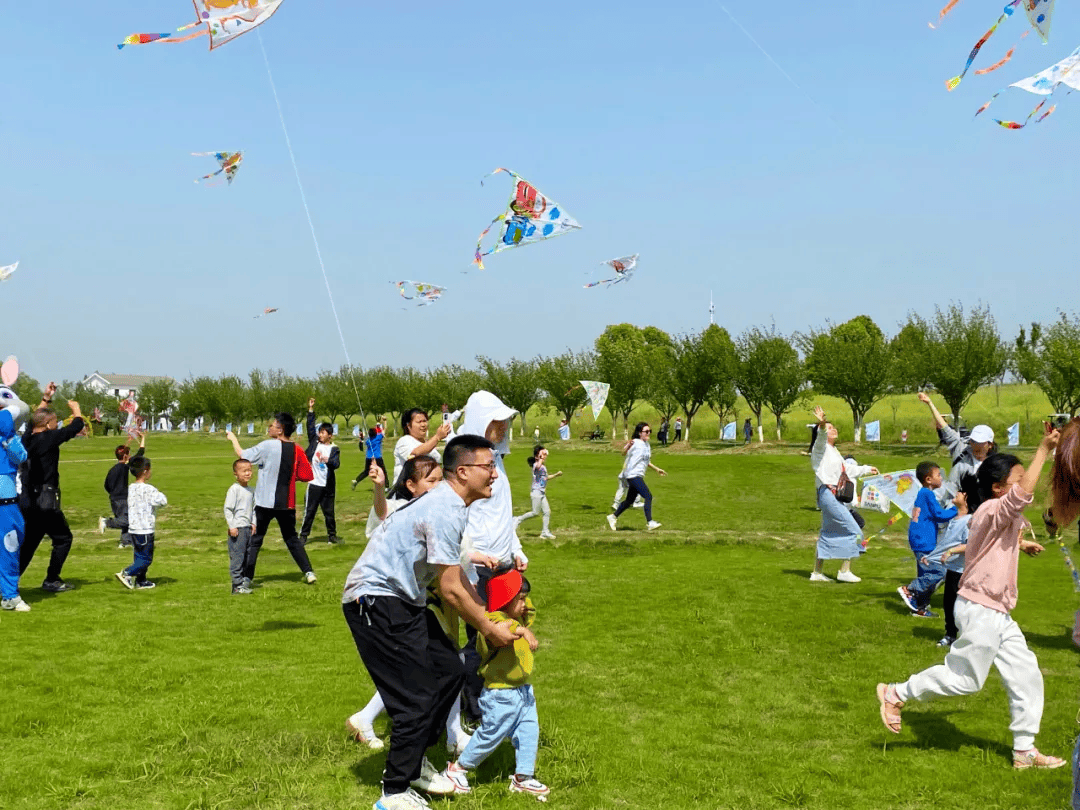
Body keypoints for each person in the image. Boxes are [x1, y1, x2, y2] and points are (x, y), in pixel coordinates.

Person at [341, 435, 526, 809]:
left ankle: (416, 764)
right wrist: (490, 630)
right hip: (374, 599)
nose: (495, 475)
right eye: (488, 467)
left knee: (449, 671)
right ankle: (392, 792)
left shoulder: (452, 505)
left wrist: (491, 619)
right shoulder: (445, 508)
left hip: (403, 600)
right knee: (416, 697)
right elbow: (450, 589)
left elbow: (456, 580)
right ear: (462, 471)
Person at [876, 428, 1068, 770]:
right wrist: (1043, 449)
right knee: (965, 679)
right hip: (980, 609)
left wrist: (1021, 545)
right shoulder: (991, 510)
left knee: (1026, 674)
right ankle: (895, 693)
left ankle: (1024, 749)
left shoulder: (998, 515)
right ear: (997, 487)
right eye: (1018, 478)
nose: (1026, 483)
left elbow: (989, 544)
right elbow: (1020, 498)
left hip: (998, 612)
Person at [346, 454, 488, 756]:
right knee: (416, 675)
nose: (438, 486)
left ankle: (441, 738)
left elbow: (459, 557)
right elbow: (383, 513)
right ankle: (405, 752)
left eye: (440, 480)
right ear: (410, 485)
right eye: (431, 481)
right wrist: (379, 487)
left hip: (428, 596)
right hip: (409, 597)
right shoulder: (406, 508)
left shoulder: (447, 510)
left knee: (446, 666)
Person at [443, 569, 549, 799]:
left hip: (522, 692)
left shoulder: (516, 617)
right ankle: (458, 769)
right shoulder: (492, 623)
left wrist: (522, 605)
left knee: (529, 731)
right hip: (501, 695)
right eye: (519, 598)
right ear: (503, 600)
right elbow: (500, 629)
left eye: (525, 598)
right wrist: (521, 630)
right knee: (491, 734)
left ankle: (523, 777)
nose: (524, 604)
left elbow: (527, 614)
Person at [457, 391, 527, 724]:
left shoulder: (495, 460)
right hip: (477, 568)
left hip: (502, 564)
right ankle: (469, 711)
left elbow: (503, 514)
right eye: (498, 421)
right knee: (480, 640)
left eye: (505, 422)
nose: (503, 427)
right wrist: (470, 554)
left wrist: (516, 549)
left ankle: (494, 703)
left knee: (504, 636)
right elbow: (456, 518)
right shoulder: (464, 466)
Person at [225, 413, 317, 586]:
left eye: (273, 425)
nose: (269, 427)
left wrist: (233, 438)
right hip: (287, 503)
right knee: (292, 539)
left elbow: (242, 454)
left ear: (280, 429)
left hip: (264, 503)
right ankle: (308, 572)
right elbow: (307, 474)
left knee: (256, 540)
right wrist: (289, 475)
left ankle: (247, 577)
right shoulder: (297, 449)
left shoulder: (268, 445)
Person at [19, 386, 84, 592]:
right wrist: (76, 410)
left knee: (28, 545)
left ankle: (8, 582)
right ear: (47, 425)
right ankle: (52, 579)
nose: (57, 425)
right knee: (63, 538)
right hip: (46, 501)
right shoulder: (49, 438)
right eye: (55, 422)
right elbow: (75, 427)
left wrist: (46, 399)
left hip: (28, 500)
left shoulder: (26, 438)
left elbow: (33, 420)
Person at [808, 406, 877, 583]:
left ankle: (816, 573)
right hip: (828, 494)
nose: (833, 429)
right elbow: (821, 435)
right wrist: (822, 422)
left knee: (827, 532)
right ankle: (844, 571)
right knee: (854, 530)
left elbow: (848, 469)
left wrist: (867, 469)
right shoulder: (820, 449)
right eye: (830, 428)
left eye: (832, 427)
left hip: (833, 496)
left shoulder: (834, 452)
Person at [896, 462, 961, 618]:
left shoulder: (923, 493)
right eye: (939, 475)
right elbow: (940, 515)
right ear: (928, 479)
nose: (941, 478)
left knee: (925, 573)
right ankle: (910, 590)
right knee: (939, 571)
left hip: (920, 538)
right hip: (924, 541)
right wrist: (956, 508)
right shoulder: (927, 494)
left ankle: (920, 608)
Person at [917, 392, 995, 504]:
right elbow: (945, 428)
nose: (975, 445)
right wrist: (930, 403)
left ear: (990, 445)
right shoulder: (961, 449)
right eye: (973, 441)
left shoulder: (996, 464)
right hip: (953, 507)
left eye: (980, 442)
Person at [922, 501, 972, 648]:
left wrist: (951, 552)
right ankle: (950, 635)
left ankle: (966, 637)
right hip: (952, 570)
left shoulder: (969, 521)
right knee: (948, 604)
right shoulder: (953, 520)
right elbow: (947, 543)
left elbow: (970, 545)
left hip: (964, 572)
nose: (956, 494)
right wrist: (932, 556)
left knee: (963, 607)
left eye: (961, 492)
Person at [114, 456, 167, 590]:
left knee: (139, 556)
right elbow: (162, 501)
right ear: (145, 471)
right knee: (146, 559)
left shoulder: (131, 488)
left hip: (133, 528)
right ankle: (127, 573)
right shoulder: (149, 489)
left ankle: (141, 580)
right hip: (145, 529)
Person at [0, 384, 29, 612]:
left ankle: (9, 594)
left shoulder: (9, 439)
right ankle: (9, 594)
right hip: (6, 500)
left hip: (7, 501)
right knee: (9, 544)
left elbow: (21, 456)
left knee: (10, 544)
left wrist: (8, 437)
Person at [607, 422, 666, 532]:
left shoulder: (647, 445)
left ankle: (613, 517)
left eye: (650, 431)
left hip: (638, 475)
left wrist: (657, 469)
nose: (649, 433)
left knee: (629, 500)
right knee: (648, 496)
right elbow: (623, 453)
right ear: (640, 433)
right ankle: (650, 522)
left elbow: (646, 461)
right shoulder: (636, 442)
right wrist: (628, 446)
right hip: (632, 475)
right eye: (646, 431)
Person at [300, 398, 340, 544]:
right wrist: (310, 410)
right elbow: (310, 427)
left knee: (329, 513)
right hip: (314, 484)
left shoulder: (334, 449)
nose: (320, 434)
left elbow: (336, 464)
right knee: (309, 511)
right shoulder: (314, 443)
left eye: (323, 432)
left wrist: (326, 460)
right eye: (320, 432)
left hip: (327, 485)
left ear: (330, 435)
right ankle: (303, 536)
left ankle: (332, 536)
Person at [98, 430, 146, 548]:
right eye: (128, 454)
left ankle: (124, 543)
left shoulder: (113, 469)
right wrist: (143, 438)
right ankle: (106, 522)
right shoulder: (124, 468)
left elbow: (106, 485)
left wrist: (113, 493)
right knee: (129, 520)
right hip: (121, 499)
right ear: (125, 456)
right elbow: (140, 454)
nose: (130, 456)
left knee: (125, 520)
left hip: (114, 498)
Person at [514, 445, 562, 540]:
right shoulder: (536, 465)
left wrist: (556, 475)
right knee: (535, 512)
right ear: (536, 457)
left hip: (542, 493)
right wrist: (540, 457)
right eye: (541, 455)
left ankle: (545, 532)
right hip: (536, 493)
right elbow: (538, 466)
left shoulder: (543, 467)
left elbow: (546, 478)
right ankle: (517, 519)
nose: (544, 456)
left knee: (547, 512)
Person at [393, 408, 451, 487]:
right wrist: (437, 437)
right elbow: (415, 454)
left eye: (424, 421)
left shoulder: (427, 443)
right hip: (407, 490)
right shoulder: (404, 441)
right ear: (408, 425)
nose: (423, 425)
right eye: (419, 422)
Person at [224, 459, 256, 595]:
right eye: (244, 471)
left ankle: (242, 582)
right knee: (237, 557)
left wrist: (254, 523)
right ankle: (236, 585)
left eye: (249, 470)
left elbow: (254, 509)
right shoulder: (234, 489)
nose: (248, 473)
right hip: (238, 529)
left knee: (247, 557)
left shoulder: (251, 490)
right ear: (236, 474)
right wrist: (232, 526)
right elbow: (228, 509)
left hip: (248, 528)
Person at [351, 426, 387, 490]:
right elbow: (384, 430)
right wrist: (385, 421)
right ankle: (386, 487)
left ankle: (356, 481)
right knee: (383, 471)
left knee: (366, 471)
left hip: (369, 457)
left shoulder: (368, 441)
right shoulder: (378, 437)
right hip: (377, 457)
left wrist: (362, 438)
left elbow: (361, 444)